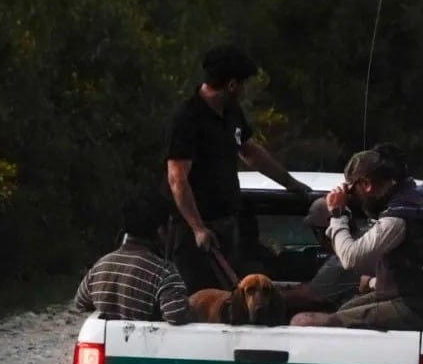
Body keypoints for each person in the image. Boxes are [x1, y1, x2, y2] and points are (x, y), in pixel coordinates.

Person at [165, 44, 311, 293]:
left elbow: (250, 151)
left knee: (231, 298)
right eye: (243, 84)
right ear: (232, 85)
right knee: (200, 301)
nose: (244, 90)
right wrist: (198, 228)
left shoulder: (231, 111)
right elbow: (177, 178)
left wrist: (291, 184)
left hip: (227, 225)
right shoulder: (187, 118)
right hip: (196, 235)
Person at [290, 144, 423, 332]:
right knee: (346, 309)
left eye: (352, 191)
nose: (353, 198)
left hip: (422, 308)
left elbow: (350, 258)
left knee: (304, 322)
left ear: (366, 184)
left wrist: (337, 213)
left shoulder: (398, 218)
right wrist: (376, 282)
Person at [75, 193, 194, 325]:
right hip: (145, 345)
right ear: (161, 231)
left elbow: (80, 302)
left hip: (107, 343)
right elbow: (177, 316)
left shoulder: (101, 265)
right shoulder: (164, 273)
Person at [281, 197, 375, 313]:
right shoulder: (371, 238)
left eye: (315, 232)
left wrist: (272, 293)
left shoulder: (339, 263)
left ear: (323, 233)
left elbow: (307, 296)